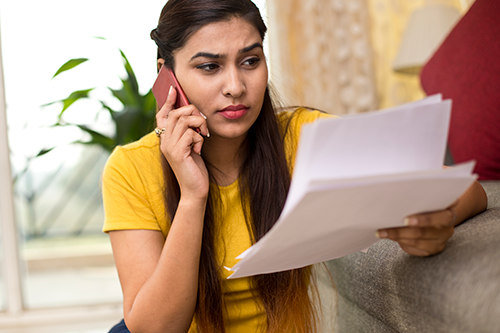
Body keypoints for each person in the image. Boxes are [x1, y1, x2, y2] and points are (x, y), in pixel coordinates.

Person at [102, 1, 488, 332]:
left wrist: (441, 219)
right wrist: (192, 196)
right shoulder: (129, 168)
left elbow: (468, 188)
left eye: (250, 61)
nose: (236, 86)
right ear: (166, 76)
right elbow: (152, 328)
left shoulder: (302, 137)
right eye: (209, 67)